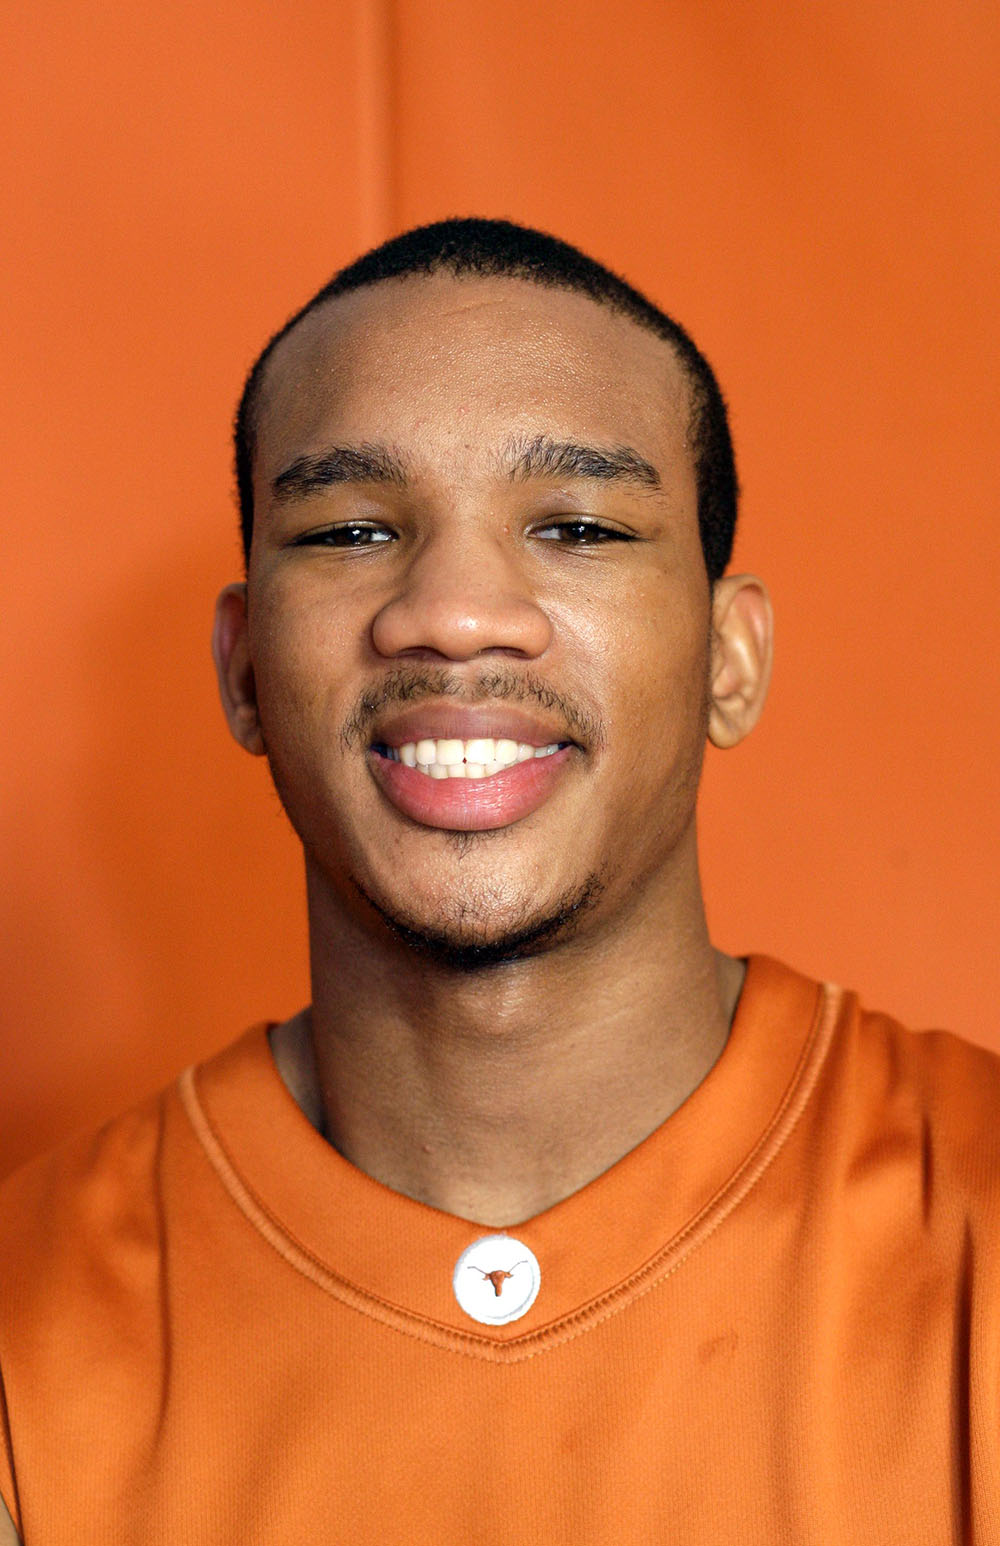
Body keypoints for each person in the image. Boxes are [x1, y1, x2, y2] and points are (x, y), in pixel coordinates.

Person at [1, 218, 998, 1544]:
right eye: (351, 529)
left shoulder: (977, 1216)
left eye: (578, 526)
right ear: (242, 669)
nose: (454, 611)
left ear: (730, 657)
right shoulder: (26, 1335)